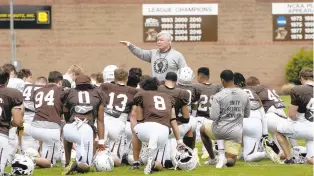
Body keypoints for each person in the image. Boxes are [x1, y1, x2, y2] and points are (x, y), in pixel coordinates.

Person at [129, 77, 184, 174]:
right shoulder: (168, 97)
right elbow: (173, 120)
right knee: (159, 163)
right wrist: (179, 141)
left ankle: (136, 162)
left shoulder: (141, 95)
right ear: (157, 87)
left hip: (147, 127)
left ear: (143, 87)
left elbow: (138, 118)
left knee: (136, 131)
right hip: (163, 130)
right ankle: (154, 162)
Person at [200, 70, 250, 168]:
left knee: (202, 129)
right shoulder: (244, 94)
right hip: (235, 132)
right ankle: (225, 159)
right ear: (233, 79)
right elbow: (247, 114)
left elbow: (214, 117)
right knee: (231, 162)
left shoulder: (219, 95)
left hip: (219, 130)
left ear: (222, 81)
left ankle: (213, 158)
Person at [61, 75, 107, 175]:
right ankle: (77, 164)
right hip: (86, 130)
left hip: (70, 128)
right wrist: (101, 141)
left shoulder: (68, 93)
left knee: (66, 129)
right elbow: (100, 120)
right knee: (85, 166)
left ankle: (68, 162)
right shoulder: (98, 93)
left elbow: (67, 117)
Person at [233, 73, 280, 163]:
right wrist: (265, 135)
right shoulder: (253, 91)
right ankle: (261, 152)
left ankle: (220, 153)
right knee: (248, 157)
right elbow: (262, 113)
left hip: (241, 122)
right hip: (255, 123)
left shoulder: (233, 92)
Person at [99, 68, 140, 166]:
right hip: (119, 123)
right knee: (116, 161)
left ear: (114, 77)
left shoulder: (105, 86)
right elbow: (133, 113)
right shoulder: (133, 91)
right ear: (127, 79)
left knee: (100, 148)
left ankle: (99, 159)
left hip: (104, 121)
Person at [24, 71, 64, 168]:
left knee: (45, 158)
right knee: (49, 163)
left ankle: (32, 157)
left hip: (33, 127)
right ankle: (28, 157)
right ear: (60, 82)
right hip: (50, 129)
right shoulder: (61, 90)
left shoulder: (38, 90)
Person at [275, 68, 314, 164]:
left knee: (278, 131)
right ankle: (306, 154)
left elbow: (292, 115)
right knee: (310, 160)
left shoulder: (297, 89)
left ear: (301, 78)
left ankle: (289, 158)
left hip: (305, 127)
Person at [119, 31, 187, 82]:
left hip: (172, 88)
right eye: (158, 40)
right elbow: (141, 53)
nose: (159, 42)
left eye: (161, 40)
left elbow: (185, 71)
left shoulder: (177, 55)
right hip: (156, 87)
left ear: (169, 42)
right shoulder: (153, 53)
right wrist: (130, 46)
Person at [0, 66, 24, 175]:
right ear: (7, 80)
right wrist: (10, 125)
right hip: (2, 134)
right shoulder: (13, 93)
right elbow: (18, 121)